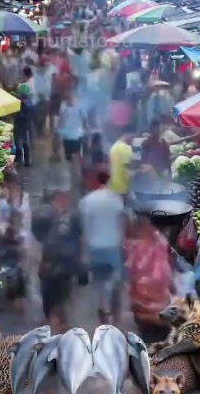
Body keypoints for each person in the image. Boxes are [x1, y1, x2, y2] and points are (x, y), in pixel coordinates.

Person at [78, 170, 129, 325]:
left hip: (95, 248)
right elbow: (122, 224)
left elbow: (84, 228)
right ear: (109, 181)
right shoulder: (116, 199)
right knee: (116, 283)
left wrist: (83, 252)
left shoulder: (86, 201)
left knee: (99, 282)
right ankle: (117, 318)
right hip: (113, 247)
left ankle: (103, 311)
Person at [37, 190, 82, 332]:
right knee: (57, 298)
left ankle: (58, 323)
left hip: (59, 267)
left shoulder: (69, 220)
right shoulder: (48, 219)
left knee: (60, 298)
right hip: (54, 267)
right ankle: (57, 323)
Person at [0, 172, 34, 314]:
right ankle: (16, 294)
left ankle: (18, 298)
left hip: (17, 243)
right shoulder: (3, 202)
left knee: (17, 271)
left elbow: (25, 220)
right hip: (10, 242)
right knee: (12, 271)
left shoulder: (18, 200)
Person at [57, 99, 85, 166]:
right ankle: (75, 169)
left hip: (68, 137)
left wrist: (59, 132)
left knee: (69, 157)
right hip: (76, 136)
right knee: (76, 155)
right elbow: (84, 120)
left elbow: (60, 123)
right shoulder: (79, 110)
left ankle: (72, 168)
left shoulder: (65, 111)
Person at [13, 84, 34, 168]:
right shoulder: (29, 102)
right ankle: (26, 161)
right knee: (24, 143)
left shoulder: (22, 103)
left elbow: (19, 115)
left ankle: (20, 160)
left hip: (21, 124)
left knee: (19, 142)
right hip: (26, 124)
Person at [108, 130, 134, 194]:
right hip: (123, 189)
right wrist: (140, 171)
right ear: (128, 135)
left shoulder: (113, 147)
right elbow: (127, 169)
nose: (133, 141)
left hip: (113, 187)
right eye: (133, 137)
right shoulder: (126, 148)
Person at [32, 59, 53, 135]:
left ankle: (40, 130)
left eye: (46, 66)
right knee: (37, 116)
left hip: (46, 98)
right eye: (44, 66)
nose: (45, 67)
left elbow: (49, 86)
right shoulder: (35, 75)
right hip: (37, 99)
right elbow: (34, 87)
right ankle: (37, 130)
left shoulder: (48, 74)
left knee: (43, 115)